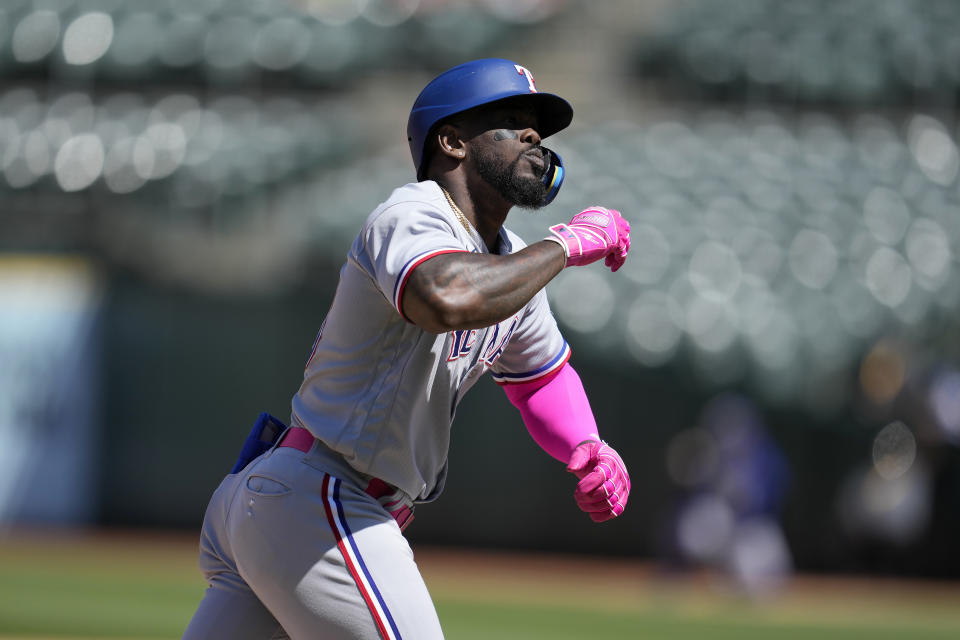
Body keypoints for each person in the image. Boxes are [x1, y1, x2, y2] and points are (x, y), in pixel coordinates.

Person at [183, 57, 632, 640]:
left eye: (537, 127)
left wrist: (587, 446)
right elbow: (444, 295)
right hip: (324, 496)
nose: (532, 135)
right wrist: (565, 246)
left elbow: (540, 378)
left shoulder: (507, 257)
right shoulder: (413, 211)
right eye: (511, 119)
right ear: (452, 141)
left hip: (298, 503)